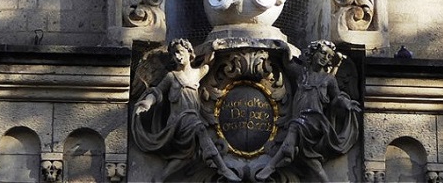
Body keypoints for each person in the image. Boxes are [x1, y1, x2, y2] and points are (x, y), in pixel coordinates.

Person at [132, 39, 240, 182]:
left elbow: (209, 62)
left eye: (180, 52)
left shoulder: (197, 73)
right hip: (179, 120)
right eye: (174, 54)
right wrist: (147, 102)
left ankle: (160, 178)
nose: (177, 57)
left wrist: (213, 47)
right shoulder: (172, 76)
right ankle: (223, 168)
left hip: (193, 117)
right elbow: (157, 92)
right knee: (200, 129)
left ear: (189, 53)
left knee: (185, 156)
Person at [255, 40, 361, 182]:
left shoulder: (328, 79)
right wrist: (283, 46)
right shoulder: (302, 73)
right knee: (314, 164)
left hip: (315, 121)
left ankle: (272, 165)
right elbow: (287, 63)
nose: (325, 58)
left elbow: (337, 97)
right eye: (322, 53)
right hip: (300, 120)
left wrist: (346, 103)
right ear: (313, 53)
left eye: (329, 57)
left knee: (295, 126)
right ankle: (292, 154)